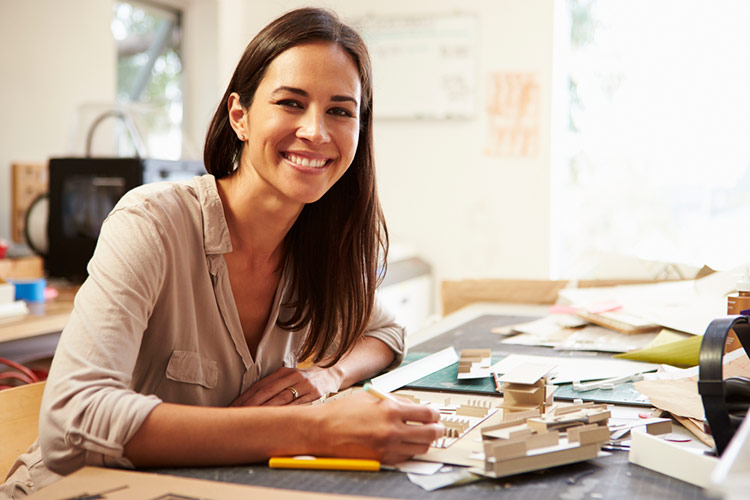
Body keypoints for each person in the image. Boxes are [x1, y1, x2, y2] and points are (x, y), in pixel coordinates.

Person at [1, 7, 444, 498]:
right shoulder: (152, 222)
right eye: (291, 103)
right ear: (240, 116)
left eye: (340, 110)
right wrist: (318, 430)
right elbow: (73, 421)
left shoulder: (315, 245)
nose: (316, 131)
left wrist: (327, 377)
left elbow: (385, 330)